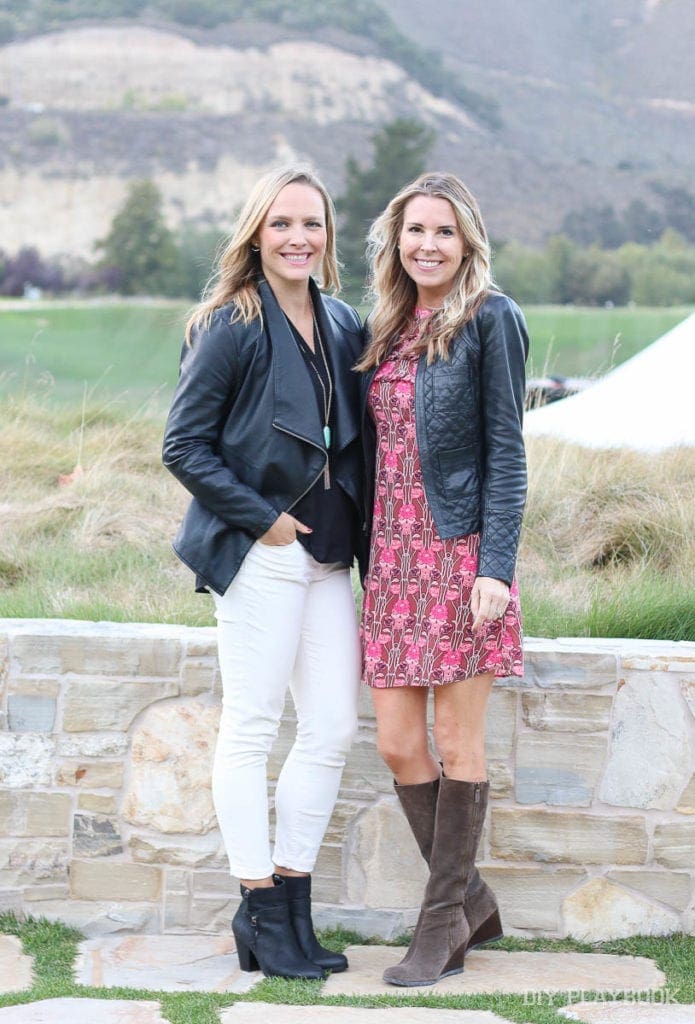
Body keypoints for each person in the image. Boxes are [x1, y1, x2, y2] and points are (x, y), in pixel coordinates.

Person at [162, 167, 365, 980]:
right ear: (256, 232)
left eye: (311, 223)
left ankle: (292, 903)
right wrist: (264, 519)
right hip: (263, 553)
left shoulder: (344, 321)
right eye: (281, 223)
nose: (297, 238)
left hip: (328, 558)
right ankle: (258, 907)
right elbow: (183, 446)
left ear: (327, 234)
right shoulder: (229, 325)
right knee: (251, 728)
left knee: (329, 728)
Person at [356, 172, 528, 987]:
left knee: (458, 742)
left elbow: (507, 455)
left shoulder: (491, 319)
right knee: (396, 743)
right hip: (389, 563)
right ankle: (472, 900)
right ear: (396, 240)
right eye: (415, 230)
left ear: (467, 245)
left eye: (444, 233)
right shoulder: (385, 324)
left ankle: (438, 929)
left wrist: (495, 568)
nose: (427, 245)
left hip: (459, 559)